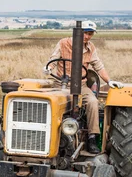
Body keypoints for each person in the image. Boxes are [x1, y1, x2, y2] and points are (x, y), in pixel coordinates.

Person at [47, 20, 124, 154]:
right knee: (53, 103)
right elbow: (53, 60)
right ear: (79, 32)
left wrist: (109, 81)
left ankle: (92, 137)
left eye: (90, 34)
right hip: (62, 84)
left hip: (81, 85)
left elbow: (98, 66)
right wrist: (48, 68)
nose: (88, 36)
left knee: (93, 102)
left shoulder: (90, 48)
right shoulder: (63, 43)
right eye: (86, 33)